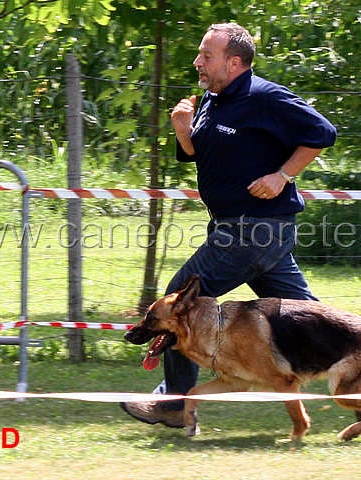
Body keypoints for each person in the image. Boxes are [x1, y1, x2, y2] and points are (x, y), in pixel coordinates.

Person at [121, 22, 337, 428]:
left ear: (234, 62)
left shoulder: (266, 97)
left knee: (175, 305)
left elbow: (322, 132)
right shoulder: (210, 99)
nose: (197, 61)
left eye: (206, 55)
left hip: (252, 230)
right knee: (311, 319)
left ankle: (173, 406)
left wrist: (283, 176)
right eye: (200, 54)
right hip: (239, 228)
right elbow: (201, 152)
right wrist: (184, 132)